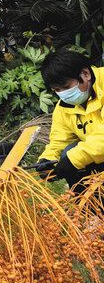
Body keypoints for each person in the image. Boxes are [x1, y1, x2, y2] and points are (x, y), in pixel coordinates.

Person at [36, 48, 104, 193]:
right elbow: (59, 140)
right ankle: (89, 209)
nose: (63, 94)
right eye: (57, 90)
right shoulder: (64, 108)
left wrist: (73, 160)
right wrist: (47, 160)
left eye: (66, 87)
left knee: (73, 158)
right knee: (68, 152)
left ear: (85, 74)